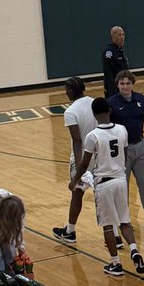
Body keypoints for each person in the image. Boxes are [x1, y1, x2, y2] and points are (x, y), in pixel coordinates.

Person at [70, 97, 144, 277]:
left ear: (94, 114)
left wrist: (75, 179)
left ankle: (116, 263)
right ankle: (134, 250)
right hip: (121, 180)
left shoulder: (93, 136)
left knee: (107, 225)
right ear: (110, 111)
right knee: (125, 221)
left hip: (104, 183)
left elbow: (84, 163)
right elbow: (125, 153)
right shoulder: (122, 130)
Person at [109, 70, 144, 233]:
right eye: (122, 83)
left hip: (140, 147)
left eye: (128, 83)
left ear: (132, 84)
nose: (125, 86)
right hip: (122, 151)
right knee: (122, 187)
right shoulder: (111, 103)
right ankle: (123, 221)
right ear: (117, 85)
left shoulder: (141, 99)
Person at [53, 76, 97, 245]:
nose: (65, 93)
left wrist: (79, 171)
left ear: (71, 91)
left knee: (77, 193)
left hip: (82, 157)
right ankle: (115, 234)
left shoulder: (70, 112)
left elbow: (77, 141)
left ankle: (70, 231)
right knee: (102, 195)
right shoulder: (95, 103)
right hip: (99, 155)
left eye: (66, 90)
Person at [102, 26, 129, 97]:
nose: (122, 37)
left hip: (124, 86)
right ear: (113, 36)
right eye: (119, 35)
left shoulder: (120, 51)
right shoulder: (109, 52)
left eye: (123, 34)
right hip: (114, 89)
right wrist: (113, 91)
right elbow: (109, 73)